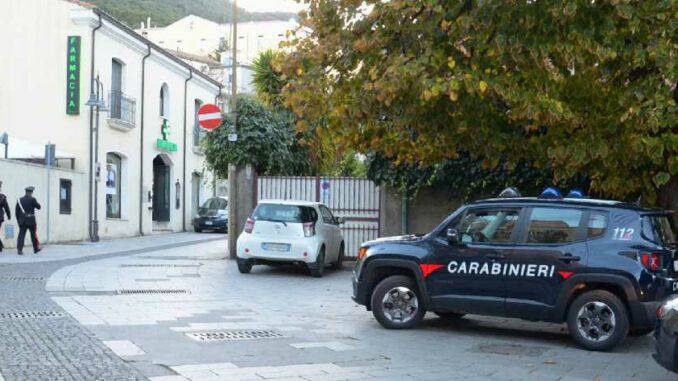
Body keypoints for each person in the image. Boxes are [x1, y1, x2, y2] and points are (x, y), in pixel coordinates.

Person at [15, 186, 41, 255]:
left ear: (26, 192)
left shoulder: (19, 200)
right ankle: (36, 249)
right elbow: (39, 207)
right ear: (31, 192)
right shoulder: (33, 199)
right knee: (33, 235)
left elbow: (16, 212)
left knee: (21, 236)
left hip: (23, 221)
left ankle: (19, 250)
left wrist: (19, 221)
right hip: (31, 221)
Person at [0, 181, 10, 252]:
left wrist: (9, 215)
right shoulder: (2, 197)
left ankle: (0, 246)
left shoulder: (2, 197)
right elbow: (6, 208)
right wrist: (9, 215)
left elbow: (6, 207)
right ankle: (0, 246)